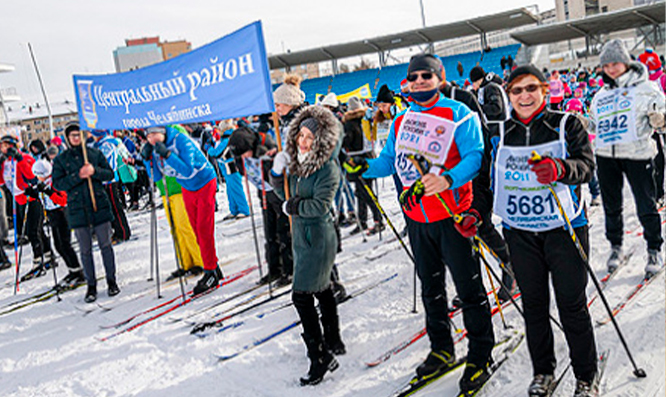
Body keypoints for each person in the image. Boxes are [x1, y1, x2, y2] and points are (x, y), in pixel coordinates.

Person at [354, 54, 494, 395]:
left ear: (440, 78)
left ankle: (480, 355)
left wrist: (447, 179)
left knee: (468, 289)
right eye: (413, 76)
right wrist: (364, 168)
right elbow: (389, 160)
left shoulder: (460, 113)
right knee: (431, 289)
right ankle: (442, 348)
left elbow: (476, 157)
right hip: (418, 218)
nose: (419, 81)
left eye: (426, 75)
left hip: (453, 215)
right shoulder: (403, 120)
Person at [491, 64, 598, 396]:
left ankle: (585, 374)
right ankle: (543, 372)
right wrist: (475, 217)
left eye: (531, 88)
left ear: (544, 90)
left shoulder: (566, 123)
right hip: (519, 232)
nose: (524, 96)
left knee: (571, 303)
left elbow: (586, 165)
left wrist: (560, 168)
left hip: (564, 228)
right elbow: (485, 180)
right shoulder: (498, 131)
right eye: (517, 90)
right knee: (534, 305)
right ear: (509, 95)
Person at [270, 105, 345, 386]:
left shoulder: (327, 168)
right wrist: (277, 174)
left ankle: (319, 357)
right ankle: (333, 341)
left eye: (309, 137)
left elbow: (319, 205)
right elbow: (284, 194)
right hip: (302, 238)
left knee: (301, 296)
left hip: (319, 239)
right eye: (300, 134)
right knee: (322, 290)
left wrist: (294, 206)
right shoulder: (299, 163)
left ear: (321, 139)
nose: (303, 140)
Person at [589, 39, 666, 278]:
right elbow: (594, 123)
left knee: (645, 203)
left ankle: (654, 249)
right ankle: (616, 247)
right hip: (606, 156)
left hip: (637, 153)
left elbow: (662, 115)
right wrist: (583, 123)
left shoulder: (646, 87)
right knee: (611, 206)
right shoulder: (600, 94)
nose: (611, 69)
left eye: (616, 63)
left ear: (626, 62)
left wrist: (660, 120)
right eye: (606, 64)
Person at [440, 67, 516, 301]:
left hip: (481, 165)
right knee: (459, 231)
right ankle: (471, 285)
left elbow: (485, 127)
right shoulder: (427, 108)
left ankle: (510, 268)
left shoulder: (468, 96)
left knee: (480, 225)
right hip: (450, 176)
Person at [144, 125, 223, 295]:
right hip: (187, 187)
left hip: (204, 181)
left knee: (203, 228)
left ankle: (210, 272)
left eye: (155, 134)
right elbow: (157, 177)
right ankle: (214, 266)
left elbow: (188, 169)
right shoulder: (157, 148)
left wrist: (168, 155)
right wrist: (147, 159)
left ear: (163, 132)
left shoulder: (181, 140)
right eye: (148, 136)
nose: (152, 139)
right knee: (195, 228)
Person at [52, 122, 119, 303]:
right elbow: (58, 184)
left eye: (79, 135)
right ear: (67, 138)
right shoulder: (61, 159)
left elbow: (109, 174)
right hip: (77, 209)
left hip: (98, 205)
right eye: (72, 135)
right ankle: (91, 285)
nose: (76, 138)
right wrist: (78, 176)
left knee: (106, 245)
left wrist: (94, 171)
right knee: (85, 250)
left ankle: (111, 280)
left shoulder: (94, 154)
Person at [228, 126, 293, 286]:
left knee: (283, 231)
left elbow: (279, 168)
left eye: (245, 153)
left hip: (278, 193)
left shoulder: (266, 143)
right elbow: (241, 170)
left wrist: (265, 158)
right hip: (263, 192)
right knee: (269, 232)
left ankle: (290, 269)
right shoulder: (242, 152)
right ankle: (274, 269)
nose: (244, 156)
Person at [0, 134, 54, 279]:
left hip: (31, 197)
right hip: (19, 200)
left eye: (5, 145)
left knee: (32, 231)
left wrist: (19, 158)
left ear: (12, 146)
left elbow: (31, 176)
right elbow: (2, 181)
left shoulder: (25, 158)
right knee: (36, 230)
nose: (2, 148)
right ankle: (48, 255)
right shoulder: (5, 162)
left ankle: (38, 262)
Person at [32, 157, 85, 287]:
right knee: (58, 245)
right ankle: (72, 270)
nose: (37, 178)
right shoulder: (44, 183)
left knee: (65, 244)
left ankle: (78, 272)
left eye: (38, 176)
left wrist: (49, 192)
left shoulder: (56, 182)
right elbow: (42, 195)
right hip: (53, 216)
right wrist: (34, 193)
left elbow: (63, 200)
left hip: (62, 214)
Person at [342, 96, 384, 235]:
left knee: (365, 192)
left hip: (357, 160)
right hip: (370, 156)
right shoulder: (367, 119)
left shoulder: (349, 124)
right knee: (362, 192)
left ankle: (378, 220)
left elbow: (347, 142)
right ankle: (363, 221)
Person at [90, 129, 132, 243]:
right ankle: (117, 231)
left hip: (109, 180)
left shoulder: (106, 144)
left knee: (115, 208)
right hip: (104, 180)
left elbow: (104, 161)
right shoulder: (101, 144)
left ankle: (123, 232)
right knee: (110, 208)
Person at [205, 119, 250, 220]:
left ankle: (243, 209)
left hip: (232, 167)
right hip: (227, 167)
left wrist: (209, 148)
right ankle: (234, 210)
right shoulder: (226, 138)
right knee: (230, 190)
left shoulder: (227, 139)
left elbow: (216, 153)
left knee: (236, 189)